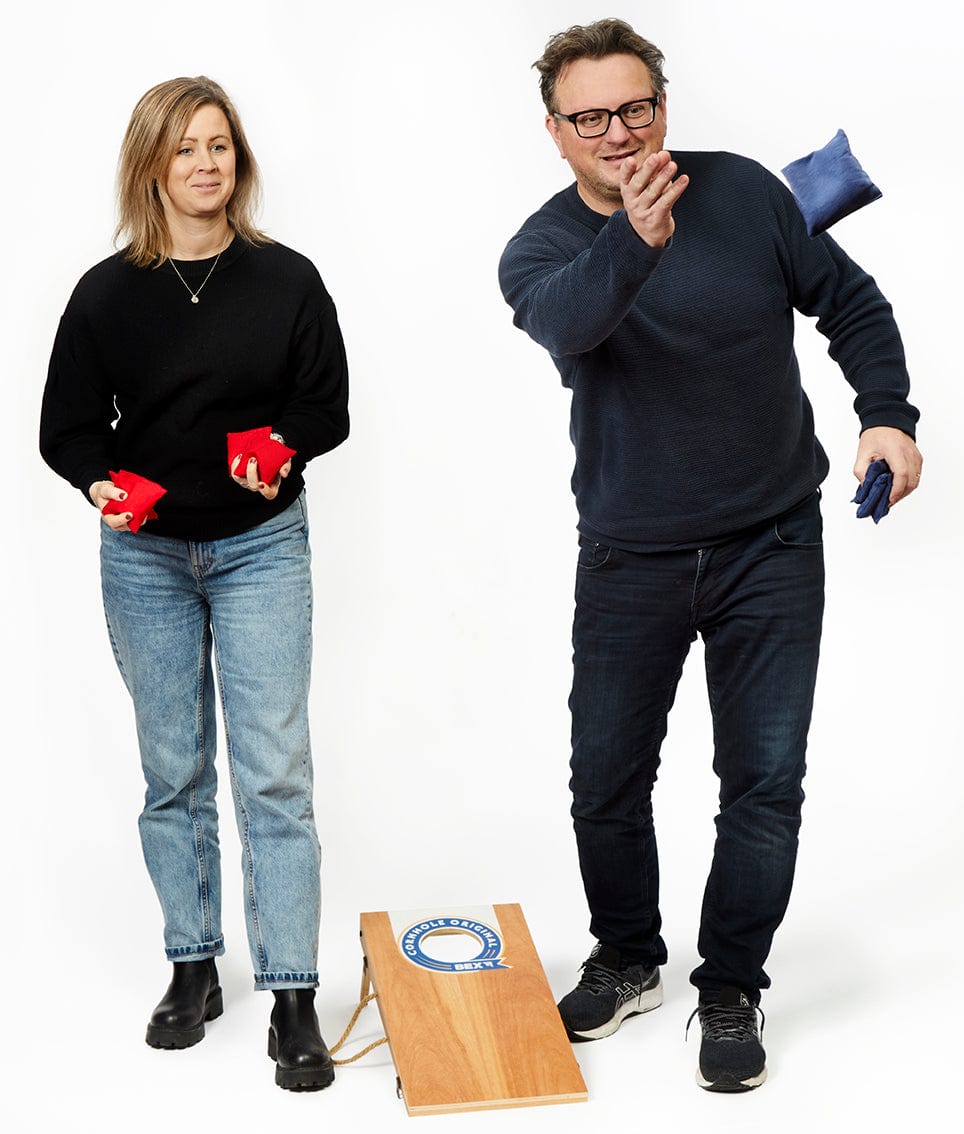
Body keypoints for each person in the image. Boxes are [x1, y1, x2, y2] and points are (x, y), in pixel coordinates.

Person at [498, 19, 921, 1092]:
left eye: (634, 107)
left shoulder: (742, 193)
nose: (617, 132)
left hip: (771, 541)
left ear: (663, 107)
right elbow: (570, 325)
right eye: (590, 117)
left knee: (764, 783)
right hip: (630, 556)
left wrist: (886, 414)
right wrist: (635, 239)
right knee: (605, 780)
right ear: (555, 132)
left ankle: (730, 987)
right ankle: (627, 957)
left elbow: (851, 303)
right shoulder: (538, 250)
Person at [40, 76, 349, 1092]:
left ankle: (292, 992)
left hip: (262, 546)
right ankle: (192, 965)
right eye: (185, 148)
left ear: (238, 159)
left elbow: (326, 406)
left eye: (219, 145)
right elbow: (67, 429)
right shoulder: (105, 293)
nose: (206, 164)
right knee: (172, 772)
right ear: (152, 166)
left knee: (275, 773)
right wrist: (102, 481)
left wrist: (284, 445)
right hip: (147, 559)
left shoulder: (287, 279)